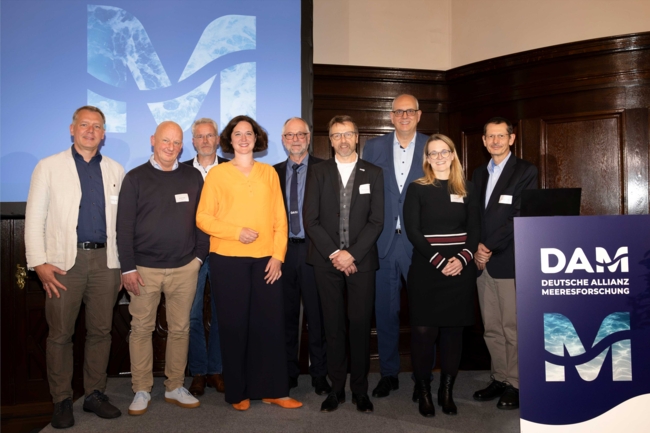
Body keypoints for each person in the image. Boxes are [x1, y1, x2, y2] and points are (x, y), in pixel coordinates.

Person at [25, 106, 124, 429]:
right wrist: (38, 263)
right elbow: (34, 218)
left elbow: (121, 223)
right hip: (63, 264)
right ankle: (62, 400)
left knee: (101, 332)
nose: (90, 130)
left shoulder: (115, 170)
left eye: (97, 126)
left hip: (106, 263)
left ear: (104, 134)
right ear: (72, 129)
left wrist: (122, 266)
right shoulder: (48, 166)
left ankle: (94, 394)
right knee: (60, 335)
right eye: (85, 125)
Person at [196, 115, 302, 411]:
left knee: (270, 326)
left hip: (266, 262)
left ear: (257, 139)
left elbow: (281, 220)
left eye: (250, 133)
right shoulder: (217, 175)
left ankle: (275, 390)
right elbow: (203, 217)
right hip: (227, 261)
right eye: (238, 133)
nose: (244, 138)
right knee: (234, 326)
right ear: (229, 140)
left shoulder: (268, 173)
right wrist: (235, 232)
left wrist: (279, 257)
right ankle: (238, 392)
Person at [117, 121, 209, 416]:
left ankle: (174, 387)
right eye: (165, 141)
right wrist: (127, 268)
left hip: (185, 268)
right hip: (144, 269)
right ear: (153, 141)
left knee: (181, 329)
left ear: (183, 146)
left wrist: (198, 259)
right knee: (141, 329)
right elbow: (124, 227)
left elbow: (203, 220)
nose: (171, 147)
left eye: (177, 142)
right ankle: (142, 389)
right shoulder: (135, 178)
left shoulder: (193, 176)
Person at [304, 115, 384, 413]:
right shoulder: (318, 172)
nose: (342, 140)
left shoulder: (374, 173)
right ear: (330, 139)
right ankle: (336, 389)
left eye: (347, 134)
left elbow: (377, 221)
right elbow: (310, 220)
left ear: (357, 136)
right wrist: (336, 254)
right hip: (326, 263)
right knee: (333, 327)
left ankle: (360, 390)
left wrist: (352, 254)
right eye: (336, 135)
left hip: (362, 263)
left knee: (360, 326)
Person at [403, 134, 480, 417]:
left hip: (460, 270)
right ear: (426, 158)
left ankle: (446, 391)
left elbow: (475, 231)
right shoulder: (417, 189)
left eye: (443, 152)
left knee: (452, 332)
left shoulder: (468, 188)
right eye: (432, 153)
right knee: (424, 332)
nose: (438, 157)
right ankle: (423, 389)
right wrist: (439, 260)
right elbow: (413, 231)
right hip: (426, 270)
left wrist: (461, 259)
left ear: (452, 155)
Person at [362, 94, 428, 398]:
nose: (404, 116)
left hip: (419, 245)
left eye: (410, 111)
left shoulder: (433, 146)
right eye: (399, 111)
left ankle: (422, 376)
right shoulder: (373, 147)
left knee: (423, 315)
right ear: (391, 116)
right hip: (383, 243)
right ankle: (389, 373)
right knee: (385, 312)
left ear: (419, 115)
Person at [471, 117, 538, 410]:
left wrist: (488, 246)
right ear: (484, 141)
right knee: (492, 327)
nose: (496, 141)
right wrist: (476, 247)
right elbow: (472, 216)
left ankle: (516, 383)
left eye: (501, 136)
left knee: (512, 327)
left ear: (511, 139)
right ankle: (499, 377)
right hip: (481, 263)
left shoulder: (525, 171)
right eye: (490, 137)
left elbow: (518, 215)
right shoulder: (477, 174)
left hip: (509, 260)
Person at [273, 117, 331, 395]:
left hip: (315, 250)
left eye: (300, 134)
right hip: (283, 253)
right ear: (282, 140)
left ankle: (319, 373)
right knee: (284, 316)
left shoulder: (325, 169)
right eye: (289, 135)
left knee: (317, 315)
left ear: (308, 137)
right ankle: (287, 372)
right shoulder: (272, 173)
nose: (295, 139)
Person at [182, 118, 229, 397]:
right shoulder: (181, 171)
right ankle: (198, 372)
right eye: (199, 136)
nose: (205, 140)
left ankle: (216, 370)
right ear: (193, 141)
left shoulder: (232, 170)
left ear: (218, 139)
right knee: (192, 313)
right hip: (190, 252)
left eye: (210, 135)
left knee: (224, 313)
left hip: (224, 249)